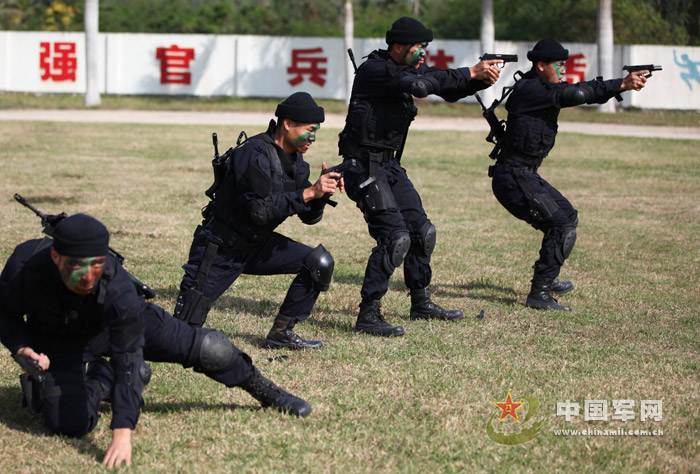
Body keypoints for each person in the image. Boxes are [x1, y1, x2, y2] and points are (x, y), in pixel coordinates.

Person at [0, 214, 312, 468]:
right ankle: (99, 382)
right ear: (56, 256)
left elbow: (129, 358)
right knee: (67, 422)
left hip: (119, 329)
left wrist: (122, 431)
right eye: (77, 266)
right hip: (62, 343)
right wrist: (22, 347)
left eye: (96, 264)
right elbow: (5, 315)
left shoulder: (119, 290)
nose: (87, 276)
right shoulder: (25, 269)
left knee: (212, 349)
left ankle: (267, 392)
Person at [337, 16, 503, 336]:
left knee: (421, 231)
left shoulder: (407, 68)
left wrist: (481, 78)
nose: (423, 52)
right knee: (394, 237)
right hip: (363, 165)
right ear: (398, 47)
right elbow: (421, 85)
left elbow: (446, 87)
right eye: (418, 46)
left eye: (426, 46)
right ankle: (368, 314)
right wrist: (470, 72)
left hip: (390, 166)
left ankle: (420, 302)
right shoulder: (376, 70)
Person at [489, 37, 652, 310]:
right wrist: (621, 84)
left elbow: (581, 91)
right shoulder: (531, 90)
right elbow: (575, 94)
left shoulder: (542, 87)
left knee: (567, 216)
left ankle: (547, 275)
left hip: (524, 173)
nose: (563, 69)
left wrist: (617, 86)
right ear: (541, 65)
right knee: (560, 224)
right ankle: (539, 294)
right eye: (558, 64)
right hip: (513, 176)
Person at [174, 92, 342, 350]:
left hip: (257, 245)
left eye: (316, 131)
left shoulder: (297, 164)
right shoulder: (254, 154)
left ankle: (282, 334)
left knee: (318, 263)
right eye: (309, 130)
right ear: (287, 124)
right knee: (180, 334)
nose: (313, 138)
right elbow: (259, 212)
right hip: (221, 247)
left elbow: (309, 217)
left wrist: (322, 193)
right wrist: (309, 192)